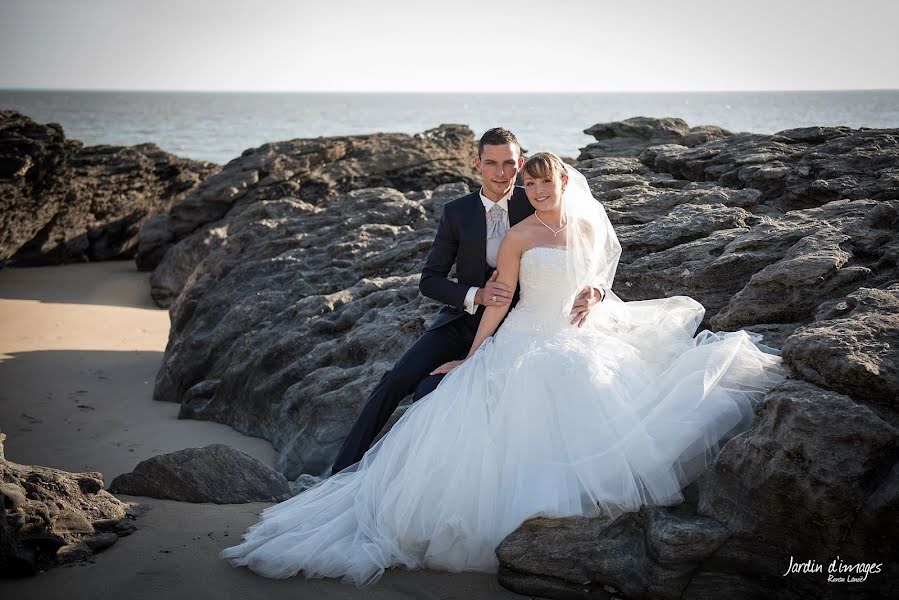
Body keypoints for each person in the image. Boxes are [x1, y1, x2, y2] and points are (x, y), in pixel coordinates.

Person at [220, 151, 786, 586]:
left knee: (597, 392)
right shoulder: (517, 233)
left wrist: (593, 292)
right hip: (513, 334)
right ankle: (352, 475)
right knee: (420, 390)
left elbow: (602, 267)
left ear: (564, 182)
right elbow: (499, 295)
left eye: (545, 180)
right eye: (530, 181)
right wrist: (473, 356)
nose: (537, 190)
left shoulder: (588, 228)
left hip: (573, 335)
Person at [329, 128, 604, 475]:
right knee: (395, 380)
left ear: (520, 164)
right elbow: (430, 279)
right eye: (491, 163)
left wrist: (596, 291)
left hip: (512, 325)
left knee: (431, 392)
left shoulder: (536, 199)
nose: (500, 173)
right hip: (461, 318)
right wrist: (477, 295)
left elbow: (581, 258)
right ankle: (340, 472)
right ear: (477, 164)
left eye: (508, 164)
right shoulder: (457, 212)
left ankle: (424, 475)